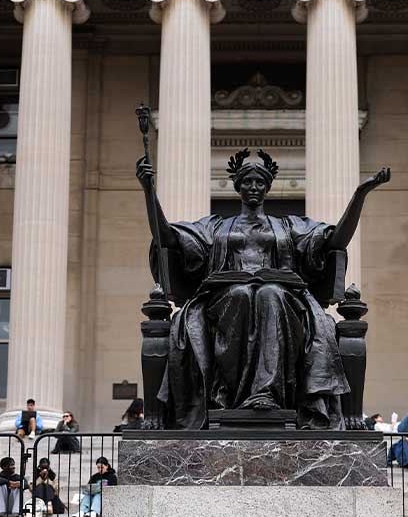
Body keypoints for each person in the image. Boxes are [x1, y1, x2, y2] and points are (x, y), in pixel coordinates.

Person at [137, 148, 390, 430]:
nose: (253, 187)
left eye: (259, 182)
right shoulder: (215, 227)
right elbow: (168, 237)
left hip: (282, 298)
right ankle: (230, 395)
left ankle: (264, 394)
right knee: (241, 294)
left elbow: (335, 241)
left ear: (268, 188)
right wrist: (149, 193)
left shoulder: (288, 227)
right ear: (237, 186)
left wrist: (359, 196)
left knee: (269, 293)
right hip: (224, 298)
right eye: (247, 182)